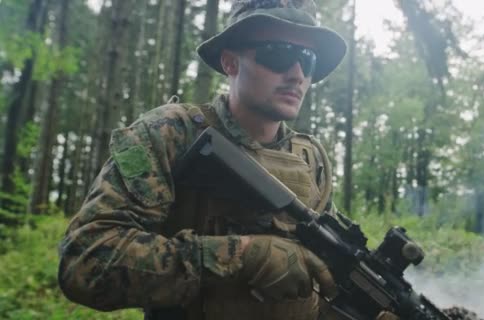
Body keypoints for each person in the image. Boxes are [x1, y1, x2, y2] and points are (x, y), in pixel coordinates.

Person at [58, 1, 398, 319]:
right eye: (278, 54)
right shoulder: (169, 134)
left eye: (307, 59)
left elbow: (313, 291)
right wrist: (242, 256)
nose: (297, 74)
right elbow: (85, 262)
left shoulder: (311, 159)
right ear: (230, 62)